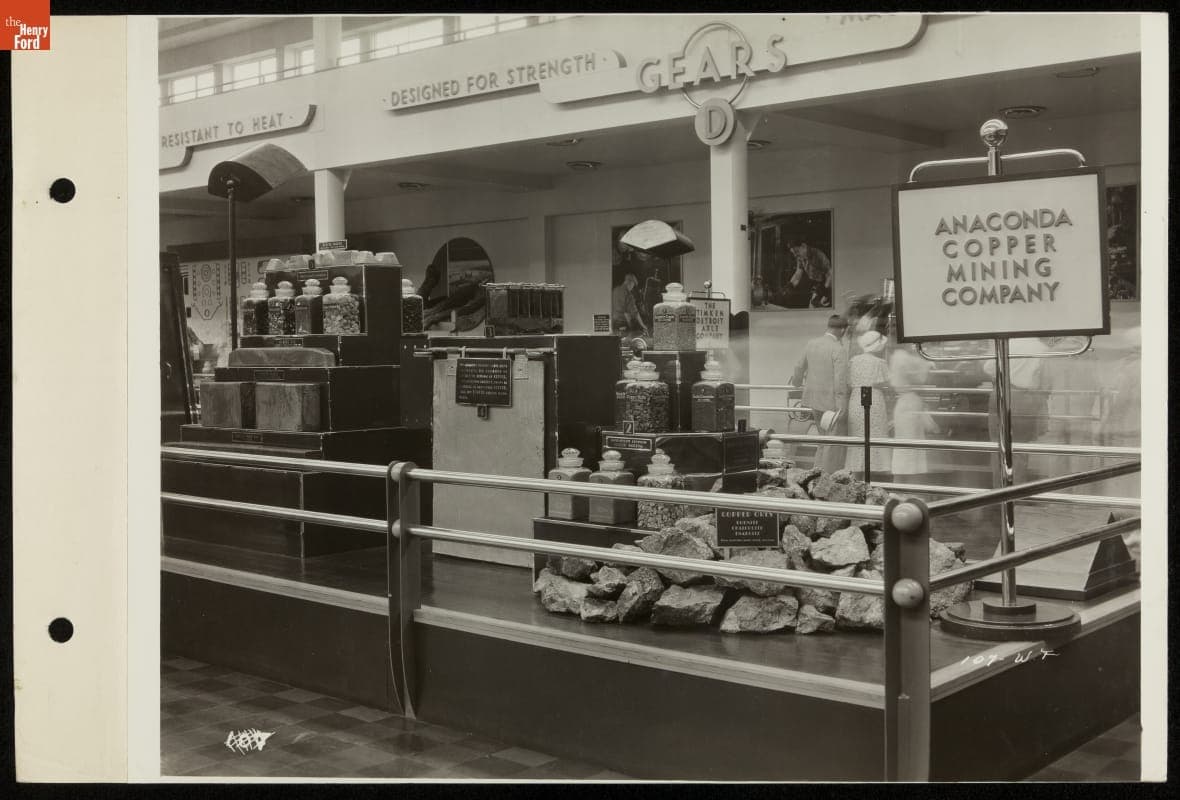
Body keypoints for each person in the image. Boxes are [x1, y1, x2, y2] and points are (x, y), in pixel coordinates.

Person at [791, 314, 849, 472]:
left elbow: (798, 366)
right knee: (832, 442)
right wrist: (842, 406)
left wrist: (796, 382)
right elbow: (840, 381)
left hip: (813, 399)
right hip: (832, 403)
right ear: (842, 330)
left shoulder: (811, 343)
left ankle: (817, 471)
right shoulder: (838, 349)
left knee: (822, 439)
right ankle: (827, 475)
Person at [845, 330, 892, 479]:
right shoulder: (880, 362)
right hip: (874, 396)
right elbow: (888, 381)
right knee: (875, 432)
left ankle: (857, 467)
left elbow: (847, 381)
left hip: (856, 397)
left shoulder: (853, 361)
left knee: (858, 433)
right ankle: (876, 467)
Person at [889, 345, 938, 484]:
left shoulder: (898, 356)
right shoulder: (902, 357)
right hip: (909, 404)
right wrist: (928, 364)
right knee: (910, 448)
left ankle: (902, 486)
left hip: (905, 403)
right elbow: (919, 377)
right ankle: (909, 486)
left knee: (905, 448)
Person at [785, 240, 833, 308]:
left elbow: (830, 273)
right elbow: (798, 273)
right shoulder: (800, 257)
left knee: (815, 306)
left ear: (804, 246)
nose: (795, 255)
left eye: (797, 251)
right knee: (811, 305)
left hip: (828, 285)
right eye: (793, 253)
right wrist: (790, 285)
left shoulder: (818, 254)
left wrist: (824, 291)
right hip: (816, 284)